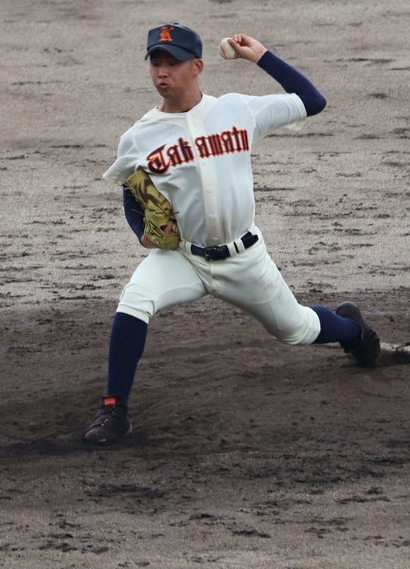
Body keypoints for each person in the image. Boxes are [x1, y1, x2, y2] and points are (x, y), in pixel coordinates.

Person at [84, 23, 381, 446]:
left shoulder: (238, 110)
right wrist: (141, 234)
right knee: (134, 300)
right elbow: (131, 194)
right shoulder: (138, 137)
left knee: (295, 329)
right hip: (183, 258)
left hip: (244, 258)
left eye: (173, 63)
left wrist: (260, 56)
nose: (161, 72)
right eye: (155, 62)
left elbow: (313, 101)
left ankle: (355, 332)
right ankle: (113, 410)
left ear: (197, 67)